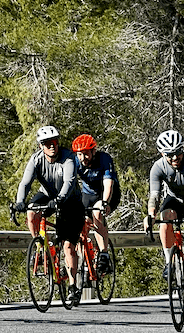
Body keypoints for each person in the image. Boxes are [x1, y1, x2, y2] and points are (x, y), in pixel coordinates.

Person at [14, 125, 86, 306]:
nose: (52, 146)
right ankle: (39, 247)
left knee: (68, 246)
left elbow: (69, 181)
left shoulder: (68, 157)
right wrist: (20, 201)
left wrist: (60, 198)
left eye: (54, 142)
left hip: (70, 200)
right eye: (47, 144)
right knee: (31, 212)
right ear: (41, 146)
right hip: (46, 193)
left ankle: (72, 287)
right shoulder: (36, 159)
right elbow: (25, 182)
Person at [142, 129, 184, 312]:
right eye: (169, 155)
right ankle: (169, 262)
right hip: (174, 200)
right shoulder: (158, 167)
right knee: (165, 219)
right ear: (162, 154)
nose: (175, 158)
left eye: (178, 152)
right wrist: (150, 215)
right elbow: (154, 195)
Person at [72, 134, 121, 274]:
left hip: (108, 193)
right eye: (80, 154)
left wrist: (105, 202)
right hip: (88, 194)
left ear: (94, 151)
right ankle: (84, 259)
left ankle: (104, 254)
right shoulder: (76, 161)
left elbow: (108, 184)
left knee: (98, 212)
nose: (83, 158)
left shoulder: (104, 159)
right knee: (80, 221)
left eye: (86, 154)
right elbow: (70, 182)